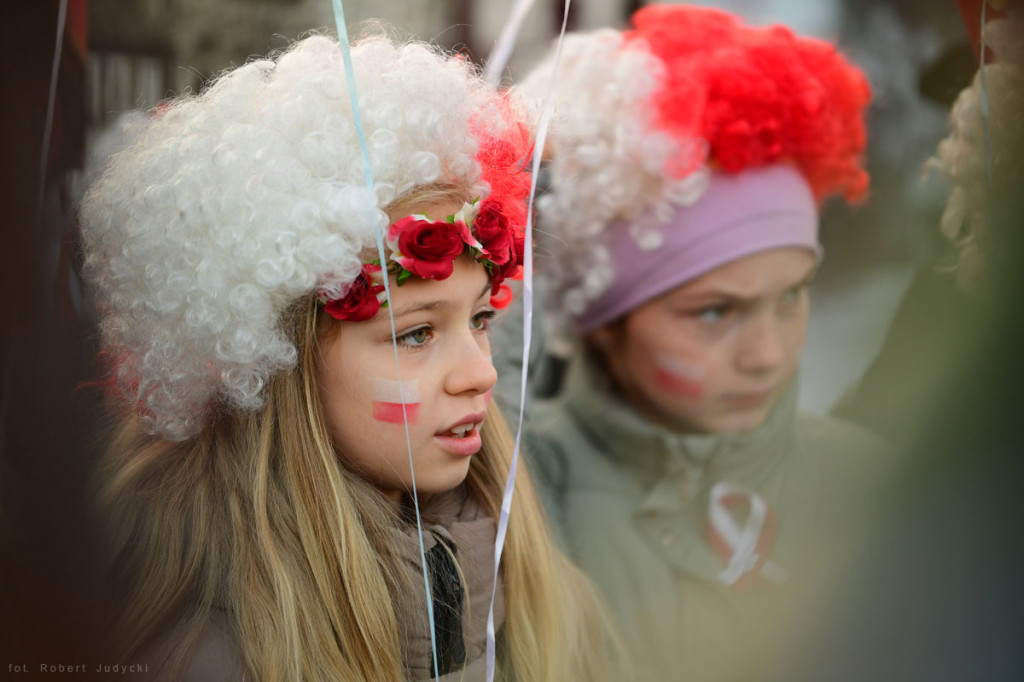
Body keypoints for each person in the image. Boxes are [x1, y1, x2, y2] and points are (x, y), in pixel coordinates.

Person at [79, 33, 612, 681]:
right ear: (277, 364)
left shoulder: (545, 603)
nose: (482, 373)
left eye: (479, 319)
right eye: (416, 334)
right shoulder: (206, 661)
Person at [519, 6, 888, 680]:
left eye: (791, 295)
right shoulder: (527, 500)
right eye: (715, 312)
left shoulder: (874, 483)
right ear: (603, 319)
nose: (768, 354)